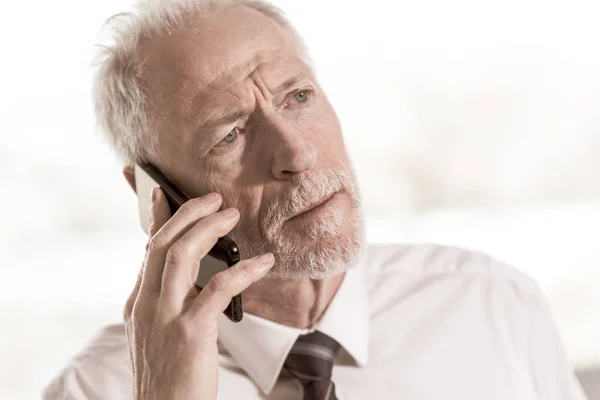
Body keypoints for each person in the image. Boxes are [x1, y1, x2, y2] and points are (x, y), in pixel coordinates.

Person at [43, 1, 587, 399]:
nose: (297, 154)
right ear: (157, 197)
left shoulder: (493, 303)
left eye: (298, 97)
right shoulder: (99, 389)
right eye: (229, 135)